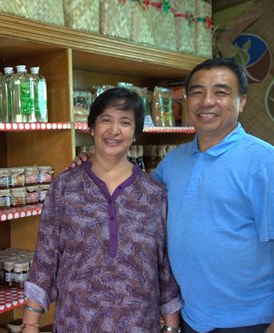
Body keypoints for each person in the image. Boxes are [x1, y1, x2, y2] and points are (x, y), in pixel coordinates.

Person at [73, 58, 274, 332]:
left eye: (221, 92)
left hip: (250, 322)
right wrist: (92, 164)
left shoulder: (264, 163)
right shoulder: (174, 161)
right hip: (190, 317)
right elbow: (129, 199)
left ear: (241, 102)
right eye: (198, 92)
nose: (207, 101)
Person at [22, 87, 183, 333]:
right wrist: (30, 323)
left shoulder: (153, 193)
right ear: (91, 127)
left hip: (139, 324)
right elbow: (45, 258)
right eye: (105, 120)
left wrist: (172, 327)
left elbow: (164, 266)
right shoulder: (65, 186)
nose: (114, 131)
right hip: (76, 322)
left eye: (125, 122)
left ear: (136, 132)